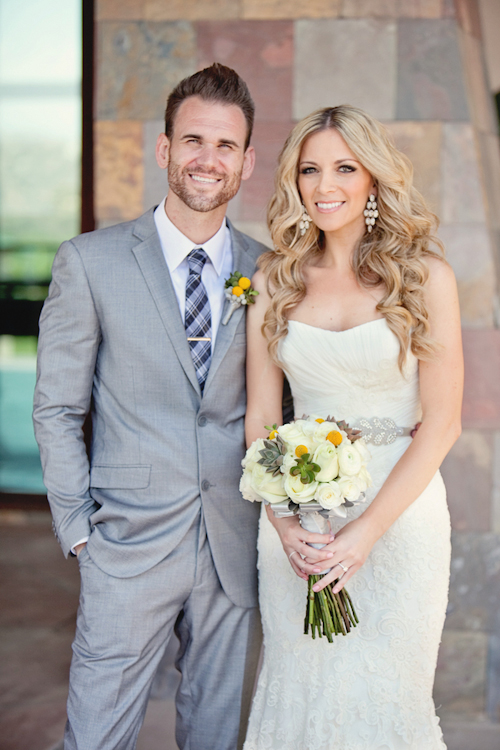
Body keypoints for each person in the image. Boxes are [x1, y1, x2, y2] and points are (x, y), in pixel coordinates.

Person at [33, 63, 266, 750]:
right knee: (98, 736)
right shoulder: (90, 262)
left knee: (216, 736)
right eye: (193, 141)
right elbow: (55, 407)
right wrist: (78, 527)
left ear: (248, 161)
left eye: (225, 146)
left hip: (232, 543)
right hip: (125, 544)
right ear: (164, 149)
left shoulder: (273, 269)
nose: (208, 159)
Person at [243, 105, 463, 750]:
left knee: (387, 697)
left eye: (344, 167)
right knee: (301, 687)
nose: (324, 184)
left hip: (401, 519)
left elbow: (444, 423)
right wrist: (285, 525)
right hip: (299, 524)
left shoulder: (425, 279)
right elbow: (262, 417)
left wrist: (365, 534)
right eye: (309, 169)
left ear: (373, 179)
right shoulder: (271, 281)